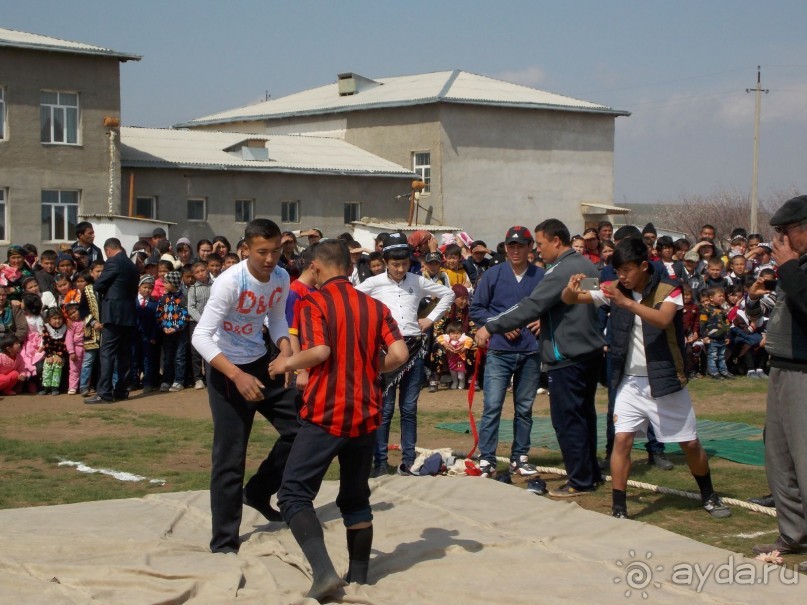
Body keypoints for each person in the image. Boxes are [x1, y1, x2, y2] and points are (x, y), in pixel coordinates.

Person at [269, 239, 407, 601]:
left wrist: (286, 363)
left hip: (326, 413)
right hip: (366, 413)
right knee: (355, 495)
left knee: (293, 495)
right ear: (348, 265)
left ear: (316, 267)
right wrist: (370, 367)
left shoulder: (314, 302)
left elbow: (320, 351)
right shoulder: (375, 306)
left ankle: (325, 572)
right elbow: (399, 352)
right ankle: (360, 576)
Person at [561, 236, 731, 520]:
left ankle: (708, 495)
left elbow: (663, 320)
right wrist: (570, 289)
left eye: (626, 270)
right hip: (628, 381)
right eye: (617, 271)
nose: (622, 277)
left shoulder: (670, 289)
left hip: (665, 380)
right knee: (622, 440)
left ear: (643, 266)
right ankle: (619, 507)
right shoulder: (614, 286)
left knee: (689, 442)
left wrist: (624, 303)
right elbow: (573, 298)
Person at [191, 218, 302, 554]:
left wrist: (283, 345)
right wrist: (236, 376)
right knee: (230, 455)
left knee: (302, 428)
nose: (270, 259)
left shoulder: (281, 277)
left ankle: (258, 491)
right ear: (246, 249)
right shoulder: (230, 282)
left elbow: (277, 316)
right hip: (227, 370)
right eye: (262, 252)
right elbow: (200, 336)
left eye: (276, 251)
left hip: (261, 361)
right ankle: (224, 541)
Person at [475, 219, 604, 496]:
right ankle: (590, 472)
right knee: (584, 416)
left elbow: (530, 306)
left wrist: (491, 326)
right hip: (589, 352)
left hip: (567, 355)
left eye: (541, 244)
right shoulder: (587, 265)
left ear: (556, 241)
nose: (539, 251)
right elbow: (593, 302)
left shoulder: (559, 271)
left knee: (568, 420)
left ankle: (580, 480)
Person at [357, 231, 454, 476]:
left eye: (404, 264)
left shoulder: (417, 281)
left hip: (414, 350)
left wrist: (430, 319)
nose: (400, 269)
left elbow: (448, 294)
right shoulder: (374, 283)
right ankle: (380, 462)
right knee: (386, 408)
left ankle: (408, 461)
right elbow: (352, 299)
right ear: (386, 262)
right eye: (395, 264)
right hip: (386, 350)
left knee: (409, 408)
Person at [749, 196, 807, 568]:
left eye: (786, 232)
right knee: (780, 456)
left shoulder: (795, 268)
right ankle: (794, 533)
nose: (780, 241)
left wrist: (787, 268)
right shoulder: (795, 266)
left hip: (805, 372)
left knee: (805, 457)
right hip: (782, 367)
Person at [470, 226, 545, 478]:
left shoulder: (541, 276)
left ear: (529, 248)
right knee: (492, 405)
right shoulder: (492, 275)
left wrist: (544, 321)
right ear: (505, 248)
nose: (515, 250)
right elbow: (476, 309)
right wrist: (499, 326)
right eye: (511, 246)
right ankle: (487, 457)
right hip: (500, 350)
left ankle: (519, 457)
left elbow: (554, 307)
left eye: (520, 246)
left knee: (524, 407)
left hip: (531, 350)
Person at [85, 238, 139, 404]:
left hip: (113, 314)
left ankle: (105, 393)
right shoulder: (132, 265)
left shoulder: (113, 262)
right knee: (124, 355)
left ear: (108, 250)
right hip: (128, 314)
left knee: (107, 353)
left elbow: (99, 285)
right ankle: (121, 390)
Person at [156, 271, 189, 393]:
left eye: (167, 282)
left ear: (174, 283)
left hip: (180, 334)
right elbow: (159, 314)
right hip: (166, 333)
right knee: (168, 358)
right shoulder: (164, 298)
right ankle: (166, 380)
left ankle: (179, 381)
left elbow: (185, 315)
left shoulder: (182, 298)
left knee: (179, 357)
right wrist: (163, 327)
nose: (164, 284)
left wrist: (176, 328)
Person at [187, 261, 212, 390]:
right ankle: (198, 378)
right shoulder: (193, 289)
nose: (201, 274)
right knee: (196, 351)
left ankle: (210, 377)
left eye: (202, 270)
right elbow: (190, 307)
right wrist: (202, 320)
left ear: (207, 270)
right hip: (196, 323)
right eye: (197, 272)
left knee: (210, 350)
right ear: (193, 275)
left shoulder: (215, 285)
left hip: (213, 323)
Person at [699, 286, 734, 380]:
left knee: (721, 356)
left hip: (722, 338)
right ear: (711, 298)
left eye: (723, 296)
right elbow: (702, 325)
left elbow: (727, 324)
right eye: (720, 296)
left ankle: (723, 371)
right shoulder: (705, 310)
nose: (722, 298)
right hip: (712, 338)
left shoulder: (722, 311)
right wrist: (704, 336)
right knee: (712, 356)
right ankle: (713, 372)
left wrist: (727, 336)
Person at [436, 321, 473, 389]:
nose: (456, 335)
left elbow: (470, 340)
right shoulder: (447, 338)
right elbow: (439, 338)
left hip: (459, 360)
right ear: (449, 334)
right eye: (453, 333)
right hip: (451, 360)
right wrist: (444, 343)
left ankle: (462, 382)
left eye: (458, 333)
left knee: (460, 373)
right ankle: (455, 382)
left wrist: (465, 347)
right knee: (453, 372)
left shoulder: (463, 338)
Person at [40, 306, 68, 395]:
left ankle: (54, 387)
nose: (57, 321)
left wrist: (59, 355)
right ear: (49, 319)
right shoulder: (47, 327)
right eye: (54, 318)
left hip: (61, 354)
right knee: (47, 365)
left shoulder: (65, 328)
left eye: (59, 318)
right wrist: (49, 356)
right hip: (49, 353)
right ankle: (45, 386)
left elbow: (64, 343)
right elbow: (46, 342)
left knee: (58, 365)